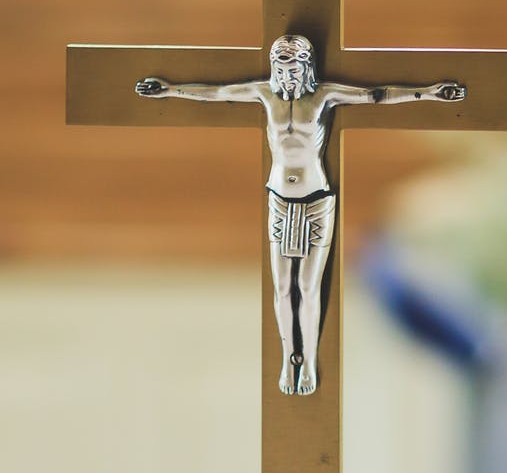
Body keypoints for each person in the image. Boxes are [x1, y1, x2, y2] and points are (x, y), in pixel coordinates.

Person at [137, 35, 466, 395]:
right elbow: (218, 93)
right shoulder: (264, 94)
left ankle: (307, 358)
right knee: (282, 286)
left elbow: (376, 94)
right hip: (279, 197)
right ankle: (287, 356)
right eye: (281, 68)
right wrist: (169, 90)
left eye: (294, 69)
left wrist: (430, 92)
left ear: (307, 68)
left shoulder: (323, 96)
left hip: (316, 198)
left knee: (309, 286)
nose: (287, 76)